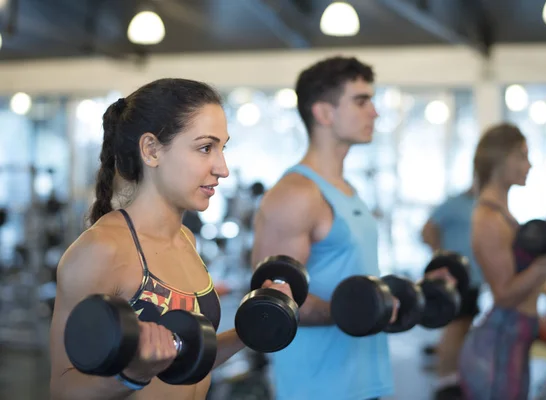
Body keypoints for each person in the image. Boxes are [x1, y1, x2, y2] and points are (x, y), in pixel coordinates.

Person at [48, 78, 291, 400]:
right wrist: (132, 375)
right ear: (151, 150)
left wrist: (250, 328)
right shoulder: (102, 250)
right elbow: (63, 390)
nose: (223, 168)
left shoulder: (186, 238)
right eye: (205, 147)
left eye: (222, 148)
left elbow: (186, 360)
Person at [251, 56, 454, 400]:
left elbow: (353, 279)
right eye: (361, 101)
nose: (374, 112)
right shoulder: (297, 195)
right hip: (316, 388)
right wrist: (364, 309)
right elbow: (271, 303)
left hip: (363, 381)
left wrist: (412, 294)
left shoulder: (348, 191)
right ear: (324, 113)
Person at [458, 123, 546, 400]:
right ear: (501, 158)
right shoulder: (489, 219)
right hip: (498, 348)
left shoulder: (502, 215)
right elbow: (505, 295)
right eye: (522, 155)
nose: (529, 164)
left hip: (514, 340)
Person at [420, 183, 482, 399]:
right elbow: (427, 230)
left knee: (463, 327)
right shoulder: (455, 203)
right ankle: (444, 383)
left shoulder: (481, 205)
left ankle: (454, 378)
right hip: (457, 279)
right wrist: (441, 256)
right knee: (454, 329)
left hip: (474, 278)